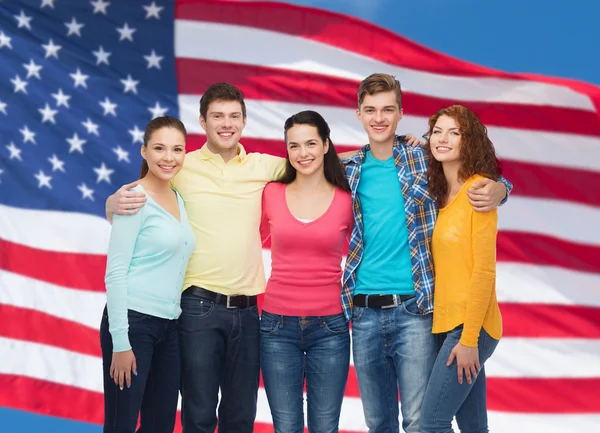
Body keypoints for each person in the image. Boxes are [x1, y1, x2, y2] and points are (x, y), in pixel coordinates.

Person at [104, 82, 420, 433]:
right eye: (218, 117)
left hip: (249, 310)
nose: (227, 124)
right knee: (199, 411)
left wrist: (389, 145)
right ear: (202, 122)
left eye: (234, 116)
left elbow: (312, 160)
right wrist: (111, 204)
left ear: (244, 121)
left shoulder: (262, 167)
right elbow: (148, 192)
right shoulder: (182, 165)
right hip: (197, 306)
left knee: (241, 416)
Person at [341, 74, 512, 433]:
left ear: (401, 113)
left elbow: (480, 174)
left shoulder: (421, 159)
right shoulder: (350, 169)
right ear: (358, 114)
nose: (379, 117)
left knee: (423, 422)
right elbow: (306, 159)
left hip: (416, 310)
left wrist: (501, 188)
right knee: (381, 424)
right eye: (370, 110)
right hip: (365, 311)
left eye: (388, 109)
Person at [260, 110, 354, 433]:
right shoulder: (270, 193)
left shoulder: (346, 199)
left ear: (327, 145)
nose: (303, 153)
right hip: (275, 327)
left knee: (325, 428)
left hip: (330, 328)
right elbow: (245, 241)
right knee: (286, 428)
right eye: (294, 146)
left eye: (311, 143)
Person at [100, 116, 196, 433]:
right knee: (122, 424)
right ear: (144, 151)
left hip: (169, 328)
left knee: (160, 426)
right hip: (133, 324)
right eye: (159, 148)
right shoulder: (134, 198)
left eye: (176, 149)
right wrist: (121, 342)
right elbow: (114, 274)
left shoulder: (179, 199)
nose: (168, 157)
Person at [419, 105, 503, 433]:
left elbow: (484, 272)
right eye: (438, 131)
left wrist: (469, 340)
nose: (443, 139)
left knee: (432, 423)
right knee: (472, 427)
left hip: (471, 327)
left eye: (454, 132)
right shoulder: (440, 196)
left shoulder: (479, 191)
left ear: (469, 142)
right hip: (443, 324)